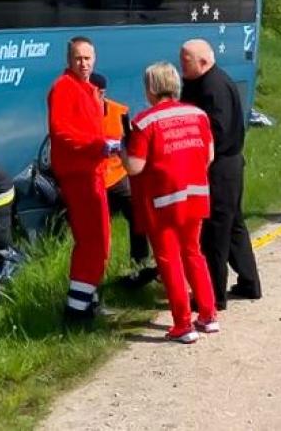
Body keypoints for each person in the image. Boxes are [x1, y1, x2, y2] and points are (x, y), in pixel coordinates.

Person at [124, 62, 218, 343]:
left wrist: (120, 150)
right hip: (196, 193)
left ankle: (182, 325)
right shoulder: (198, 114)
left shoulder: (144, 122)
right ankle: (208, 315)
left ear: (150, 89)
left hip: (163, 200)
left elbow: (135, 168)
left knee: (169, 260)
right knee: (193, 252)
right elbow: (209, 155)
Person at [180, 39, 262, 309]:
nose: (181, 66)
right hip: (229, 166)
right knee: (234, 225)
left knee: (215, 230)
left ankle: (214, 295)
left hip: (221, 168)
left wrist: (191, 151)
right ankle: (250, 283)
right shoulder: (202, 82)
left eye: (186, 61)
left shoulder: (213, 87)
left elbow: (217, 131)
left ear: (202, 62)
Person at [48, 36, 119, 324]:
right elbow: (62, 131)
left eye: (88, 58)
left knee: (97, 240)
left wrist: (104, 144)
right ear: (69, 59)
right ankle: (78, 311)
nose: (84, 63)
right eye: (79, 58)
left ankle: (87, 300)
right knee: (93, 240)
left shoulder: (89, 89)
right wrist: (99, 146)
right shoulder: (64, 88)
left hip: (93, 171)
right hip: (80, 174)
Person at [90, 72, 155, 287]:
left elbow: (131, 142)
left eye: (95, 92)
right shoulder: (81, 113)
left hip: (118, 175)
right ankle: (96, 273)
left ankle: (140, 262)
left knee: (137, 216)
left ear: (102, 93)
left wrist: (122, 150)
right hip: (94, 178)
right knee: (97, 228)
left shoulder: (120, 111)